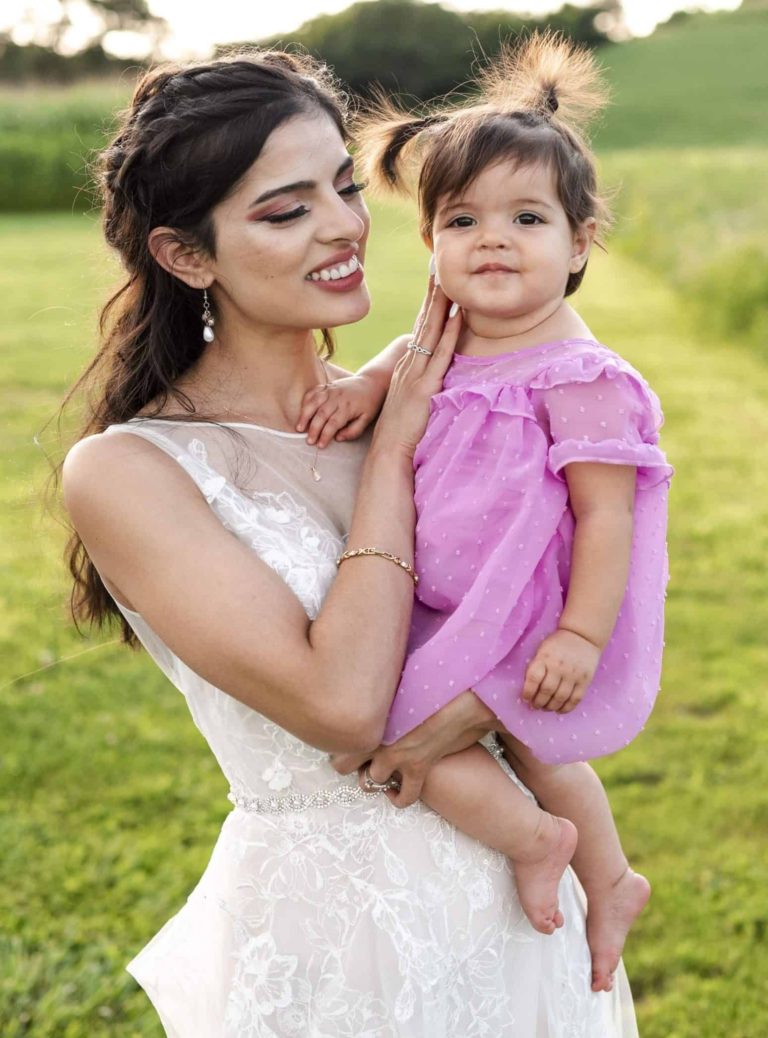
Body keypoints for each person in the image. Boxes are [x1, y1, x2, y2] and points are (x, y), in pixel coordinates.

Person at [60, 48, 638, 1035]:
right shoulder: (128, 471)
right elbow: (341, 703)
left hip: (523, 917)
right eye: (284, 211)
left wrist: (502, 694)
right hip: (347, 944)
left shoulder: (439, 390)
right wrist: (392, 445)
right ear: (185, 254)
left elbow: (552, 581)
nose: (342, 227)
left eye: (341, 185)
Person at [299, 33, 673, 994]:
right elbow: (399, 362)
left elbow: (608, 520)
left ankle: (551, 844)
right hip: (442, 596)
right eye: (461, 220)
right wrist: (361, 391)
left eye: (527, 217)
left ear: (580, 240)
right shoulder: (441, 338)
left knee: (474, 739)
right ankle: (610, 873)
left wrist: (582, 636)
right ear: (430, 245)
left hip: (528, 611)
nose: (492, 238)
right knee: (411, 719)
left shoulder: (581, 376)